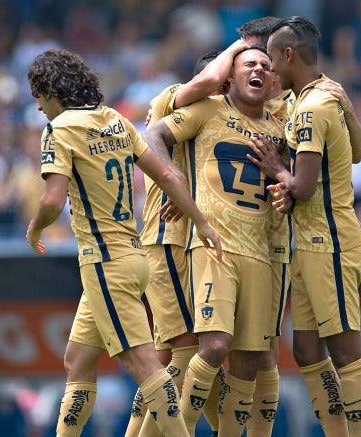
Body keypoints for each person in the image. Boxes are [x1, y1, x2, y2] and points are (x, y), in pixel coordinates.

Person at [25, 48, 222, 437]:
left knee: (144, 365)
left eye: (39, 96)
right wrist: (200, 221)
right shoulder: (115, 121)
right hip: (133, 258)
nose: (37, 107)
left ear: (52, 91)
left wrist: (34, 229)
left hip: (104, 262)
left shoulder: (60, 129)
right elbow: (167, 177)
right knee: (77, 359)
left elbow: (52, 199)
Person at [143, 45, 282, 437]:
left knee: (252, 361)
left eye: (265, 66)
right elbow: (150, 136)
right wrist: (174, 181)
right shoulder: (202, 107)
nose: (257, 70)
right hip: (206, 245)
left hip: (261, 251)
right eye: (247, 64)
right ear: (228, 77)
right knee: (201, 348)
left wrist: (282, 175)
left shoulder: (278, 125)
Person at [237, 17, 361, 437]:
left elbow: (305, 187)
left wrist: (277, 169)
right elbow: (358, 152)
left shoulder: (312, 108)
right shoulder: (312, 98)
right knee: (307, 349)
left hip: (329, 240)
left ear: (289, 55)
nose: (268, 67)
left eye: (272, 57)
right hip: (307, 241)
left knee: (344, 349)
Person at [126, 40, 249, 437]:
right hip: (170, 238)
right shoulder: (171, 103)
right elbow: (211, 77)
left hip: (189, 242)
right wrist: (244, 41)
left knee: (169, 359)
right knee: (186, 349)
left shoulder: (218, 121)